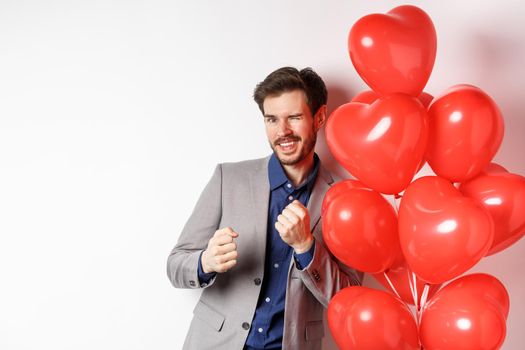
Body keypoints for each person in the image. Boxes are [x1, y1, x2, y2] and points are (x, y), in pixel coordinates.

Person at [167, 67, 362, 350]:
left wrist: (307, 248)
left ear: (319, 117)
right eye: (271, 119)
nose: (282, 132)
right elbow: (175, 264)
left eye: (294, 118)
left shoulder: (345, 200)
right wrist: (204, 263)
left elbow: (349, 300)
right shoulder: (227, 179)